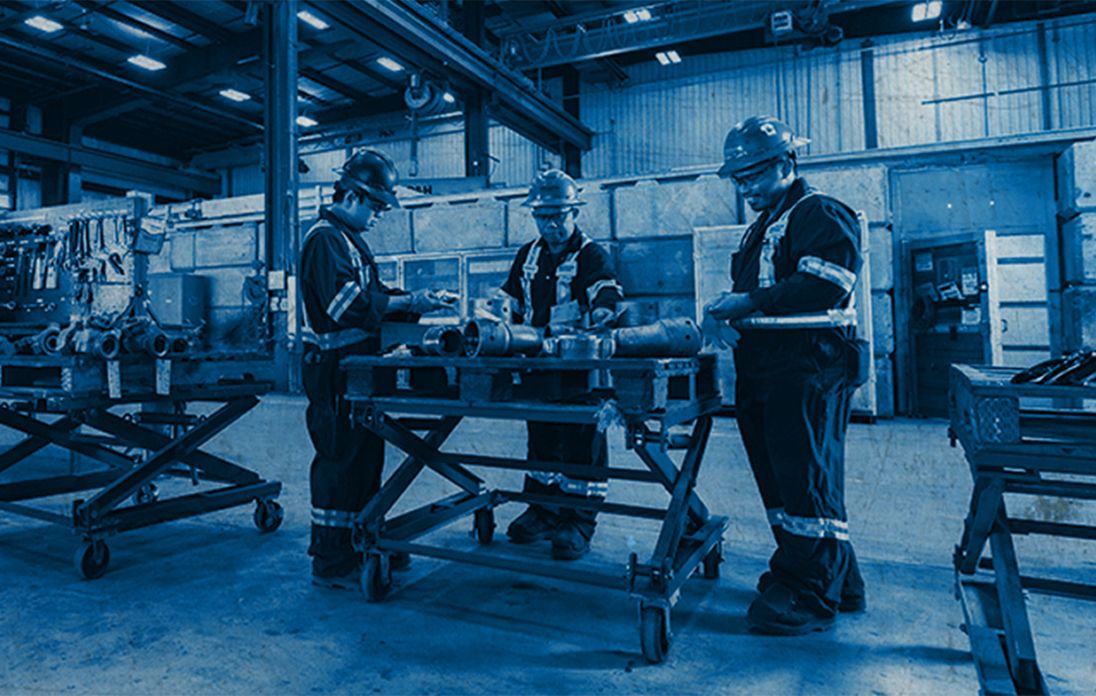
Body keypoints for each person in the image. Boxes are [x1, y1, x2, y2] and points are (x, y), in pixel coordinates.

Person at [705, 116, 868, 635]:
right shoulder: (766, 222)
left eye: (753, 175)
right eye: (739, 179)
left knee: (806, 479)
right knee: (784, 478)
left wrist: (749, 302)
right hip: (768, 365)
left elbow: (827, 283)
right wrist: (737, 321)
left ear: (786, 163)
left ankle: (812, 591)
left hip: (807, 366)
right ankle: (828, 575)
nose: (745, 187)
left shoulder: (817, 212)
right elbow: (761, 290)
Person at [299, 148, 451, 589]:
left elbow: (375, 293)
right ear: (352, 196)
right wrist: (405, 304)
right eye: (377, 206)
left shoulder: (348, 241)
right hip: (335, 369)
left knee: (366, 457)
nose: (380, 215)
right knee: (340, 459)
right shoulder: (325, 239)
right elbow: (347, 305)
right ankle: (331, 558)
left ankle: (363, 536)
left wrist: (416, 300)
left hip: (359, 367)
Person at [499, 169, 624, 560]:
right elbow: (512, 301)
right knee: (541, 437)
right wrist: (497, 317)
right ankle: (542, 510)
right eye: (543, 217)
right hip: (537, 366)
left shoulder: (590, 254)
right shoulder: (528, 255)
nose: (551, 224)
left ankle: (579, 521)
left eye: (558, 215)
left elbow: (605, 289)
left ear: (573, 212)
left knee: (580, 441)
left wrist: (603, 311)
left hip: (577, 368)